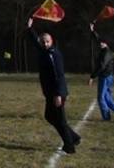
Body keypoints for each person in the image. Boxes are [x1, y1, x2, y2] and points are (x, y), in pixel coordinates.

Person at [27, 18, 80, 154]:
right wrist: (29, 28)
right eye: (43, 41)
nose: (45, 44)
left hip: (57, 93)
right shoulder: (43, 51)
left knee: (60, 120)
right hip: (50, 93)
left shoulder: (53, 55)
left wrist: (58, 94)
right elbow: (35, 42)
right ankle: (74, 137)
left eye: (47, 41)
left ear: (52, 42)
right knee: (49, 116)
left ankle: (69, 147)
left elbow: (59, 75)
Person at [89, 22, 114, 121]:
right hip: (107, 77)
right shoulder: (105, 48)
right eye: (101, 42)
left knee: (100, 98)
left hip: (105, 77)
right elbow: (98, 39)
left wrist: (92, 77)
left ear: (106, 43)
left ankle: (106, 117)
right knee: (107, 97)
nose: (100, 43)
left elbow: (101, 66)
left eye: (103, 42)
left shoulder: (106, 53)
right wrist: (92, 30)